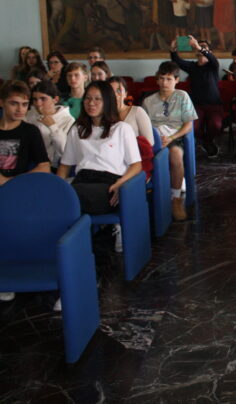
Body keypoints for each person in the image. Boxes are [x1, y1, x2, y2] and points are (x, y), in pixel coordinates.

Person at [57, 81, 142, 261]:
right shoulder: (78, 129)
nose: (91, 103)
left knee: (67, 200)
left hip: (109, 185)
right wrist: (57, 187)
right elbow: (65, 165)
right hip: (82, 181)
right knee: (58, 196)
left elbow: (136, 165)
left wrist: (121, 182)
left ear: (108, 102)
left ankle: (75, 250)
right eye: (88, 98)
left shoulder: (121, 129)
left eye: (97, 99)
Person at [0, 80, 51, 303]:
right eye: (14, 103)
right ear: (1, 103)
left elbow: (44, 166)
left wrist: (12, 182)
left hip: (18, 190)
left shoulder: (31, 131)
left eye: (24, 104)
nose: (20, 109)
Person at [142, 61, 197, 221]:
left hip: (174, 136)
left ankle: (176, 198)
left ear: (176, 80)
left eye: (169, 79)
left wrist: (172, 137)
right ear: (157, 80)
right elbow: (143, 125)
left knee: (175, 155)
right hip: (153, 137)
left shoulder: (182, 96)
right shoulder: (148, 101)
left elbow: (188, 124)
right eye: (162, 78)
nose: (165, 82)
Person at [170, 35, 222, 157]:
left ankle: (208, 141)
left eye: (204, 47)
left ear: (209, 51)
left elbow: (212, 59)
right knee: (193, 127)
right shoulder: (192, 67)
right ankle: (204, 142)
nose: (200, 49)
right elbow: (176, 60)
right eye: (198, 47)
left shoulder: (213, 66)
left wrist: (199, 46)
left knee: (216, 125)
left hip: (214, 105)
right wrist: (173, 49)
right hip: (196, 106)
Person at [27, 80, 75, 170]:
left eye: (43, 99)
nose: (38, 104)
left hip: (53, 165)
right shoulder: (30, 114)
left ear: (55, 99)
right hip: (29, 161)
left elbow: (64, 151)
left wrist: (53, 127)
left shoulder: (68, 119)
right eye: (35, 99)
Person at [108, 76, 154, 146]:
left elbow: (149, 143)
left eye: (119, 91)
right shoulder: (103, 114)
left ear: (125, 94)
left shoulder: (137, 111)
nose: (115, 95)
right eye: (111, 91)